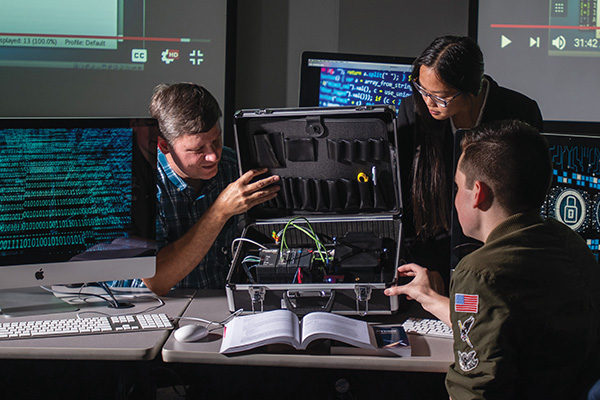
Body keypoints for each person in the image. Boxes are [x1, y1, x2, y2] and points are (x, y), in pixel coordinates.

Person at [386, 120, 600, 399]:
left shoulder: (478, 272)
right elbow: (502, 323)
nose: (454, 198)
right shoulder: (568, 243)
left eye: (457, 188)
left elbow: (474, 390)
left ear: (478, 194)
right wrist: (429, 298)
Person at [397, 35, 543, 287]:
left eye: (441, 96)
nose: (428, 102)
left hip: (496, 255)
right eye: (422, 90)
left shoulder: (519, 113)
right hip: (429, 255)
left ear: (472, 90)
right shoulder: (413, 110)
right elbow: (405, 198)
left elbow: (527, 201)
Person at [134, 83, 279, 295]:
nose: (213, 156)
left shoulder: (232, 166)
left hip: (218, 299)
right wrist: (220, 211)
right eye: (198, 149)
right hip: (154, 305)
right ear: (164, 146)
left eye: (216, 140)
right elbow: (157, 281)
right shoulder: (141, 185)